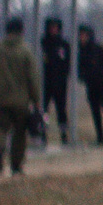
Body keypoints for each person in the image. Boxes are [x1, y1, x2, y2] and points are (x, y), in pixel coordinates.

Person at [0, 18, 40, 175]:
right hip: (21, 101)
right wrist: (37, 100)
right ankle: (16, 165)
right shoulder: (26, 51)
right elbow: (32, 78)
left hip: (1, 99)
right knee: (20, 132)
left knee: (0, 128)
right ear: (21, 31)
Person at [77, 25, 103, 147]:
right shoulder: (80, 51)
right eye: (81, 35)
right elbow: (79, 69)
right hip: (91, 86)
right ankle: (100, 138)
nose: (82, 37)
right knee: (95, 113)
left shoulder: (99, 48)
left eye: (84, 35)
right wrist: (83, 77)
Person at [40, 17, 72, 145]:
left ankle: (64, 136)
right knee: (44, 111)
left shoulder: (64, 45)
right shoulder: (43, 43)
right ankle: (42, 135)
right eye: (51, 27)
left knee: (61, 110)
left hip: (60, 83)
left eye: (55, 27)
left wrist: (63, 76)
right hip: (45, 83)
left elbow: (68, 63)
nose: (53, 30)